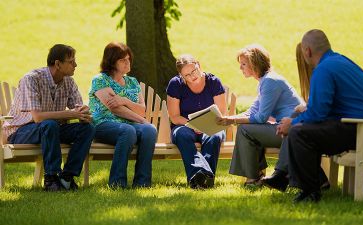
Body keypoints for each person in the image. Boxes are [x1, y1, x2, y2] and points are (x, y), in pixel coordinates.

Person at [277, 29, 363, 203]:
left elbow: (317, 113)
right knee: (302, 130)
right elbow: (324, 109)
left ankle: (309, 192)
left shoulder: (323, 69)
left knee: (298, 133)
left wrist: (292, 123)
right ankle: (313, 184)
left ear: (307, 51)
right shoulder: (340, 61)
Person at [3, 44, 95, 191]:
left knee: (87, 129)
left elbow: (79, 111)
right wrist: (71, 113)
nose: (75, 65)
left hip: (51, 130)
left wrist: (84, 114)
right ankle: (51, 178)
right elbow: (38, 117)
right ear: (57, 64)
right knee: (49, 124)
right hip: (20, 132)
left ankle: (67, 177)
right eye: (71, 61)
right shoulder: (31, 79)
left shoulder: (69, 82)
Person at [216, 44, 302, 186]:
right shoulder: (265, 81)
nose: (240, 68)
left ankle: (254, 178)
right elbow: (253, 111)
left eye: (243, 64)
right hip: (285, 128)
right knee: (248, 127)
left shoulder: (270, 81)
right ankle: (257, 176)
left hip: (291, 131)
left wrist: (233, 121)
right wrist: (228, 119)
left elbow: (261, 117)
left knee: (245, 129)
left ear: (254, 64)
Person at [257, 43, 330, 192]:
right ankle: (287, 175)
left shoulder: (323, 72)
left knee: (295, 127)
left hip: (338, 126)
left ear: (307, 54)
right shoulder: (322, 71)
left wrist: (296, 117)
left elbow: (325, 106)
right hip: (329, 123)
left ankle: (281, 174)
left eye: (299, 60)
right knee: (295, 123)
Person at [89, 42, 157, 188]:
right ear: (111, 61)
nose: (127, 63)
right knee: (129, 130)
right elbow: (115, 109)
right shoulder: (100, 80)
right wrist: (141, 120)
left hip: (129, 124)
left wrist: (124, 100)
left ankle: (142, 182)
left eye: (128, 59)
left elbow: (142, 109)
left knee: (150, 130)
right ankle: (117, 183)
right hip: (103, 124)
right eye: (122, 60)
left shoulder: (132, 82)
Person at [166, 54, 227, 189]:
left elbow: (222, 113)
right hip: (184, 125)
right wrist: (193, 125)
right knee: (182, 135)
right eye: (187, 75)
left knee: (214, 136)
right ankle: (206, 178)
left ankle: (199, 181)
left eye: (194, 70)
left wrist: (205, 125)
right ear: (181, 76)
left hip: (212, 124)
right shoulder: (176, 84)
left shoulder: (213, 82)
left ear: (198, 65)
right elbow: (174, 117)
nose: (192, 76)